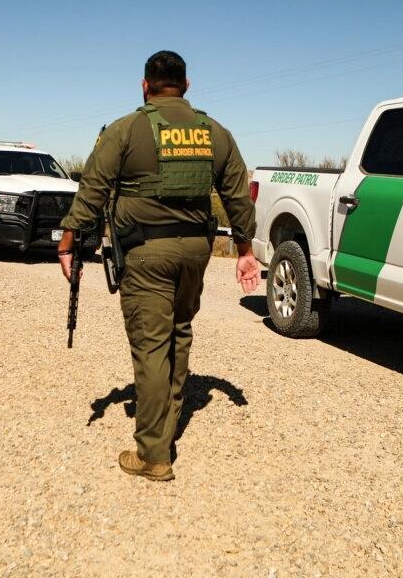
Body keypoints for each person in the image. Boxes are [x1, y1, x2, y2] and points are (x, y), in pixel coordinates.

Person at [58, 50, 260, 482]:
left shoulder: (126, 129)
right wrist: (245, 249)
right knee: (179, 332)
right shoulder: (214, 133)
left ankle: (153, 454)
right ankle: (167, 424)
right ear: (186, 86)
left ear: (144, 85)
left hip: (146, 252)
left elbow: (93, 189)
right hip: (195, 253)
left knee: (151, 345)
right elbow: (238, 197)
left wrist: (68, 241)